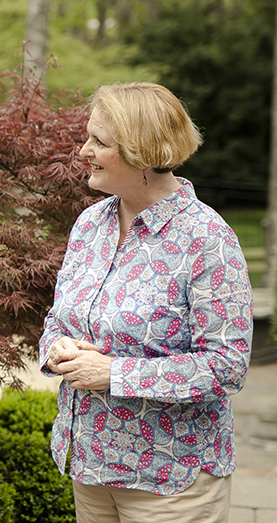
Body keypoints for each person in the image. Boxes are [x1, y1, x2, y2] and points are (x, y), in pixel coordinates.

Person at [40, 81, 253, 523]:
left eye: (99, 141)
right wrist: (58, 348)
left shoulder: (207, 239)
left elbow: (227, 365)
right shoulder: (90, 224)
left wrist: (114, 373)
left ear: (142, 152)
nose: (83, 150)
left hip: (169, 479)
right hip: (90, 465)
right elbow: (57, 319)